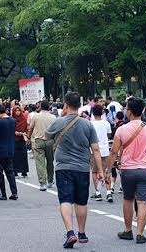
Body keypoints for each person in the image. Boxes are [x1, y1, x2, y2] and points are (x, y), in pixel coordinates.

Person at [46, 92, 104, 249]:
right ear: (80, 105)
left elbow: (47, 137)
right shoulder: (87, 124)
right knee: (81, 201)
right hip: (83, 168)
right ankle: (82, 233)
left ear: (65, 104)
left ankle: (70, 232)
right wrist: (100, 170)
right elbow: (96, 149)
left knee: (65, 199)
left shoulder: (58, 122)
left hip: (63, 167)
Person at [110, 97, 146, 245]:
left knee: (128, 199)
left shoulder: (121, 130)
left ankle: (127, 230)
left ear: (129, 111)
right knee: (143, 201)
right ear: (143, 110)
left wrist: (108, 169)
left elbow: (114, 152)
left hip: (127, 170)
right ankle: (140, 233)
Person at [0, 104, 18, 201]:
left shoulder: (0, 122)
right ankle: (14, 193)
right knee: (10, 171)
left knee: (0, 171)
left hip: (1, 149)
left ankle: (3, 193)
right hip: (11, 148)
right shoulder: (13, 121)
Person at [28, 100, 56, 191]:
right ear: (49, 107)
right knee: (50, 161)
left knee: (40, 163)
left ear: (40, 107)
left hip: (39, 140)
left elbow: (31, 128)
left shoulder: (36, 116)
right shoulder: (53, 117)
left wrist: (28, 137)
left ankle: (42, 183)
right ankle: (50, 180)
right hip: (50, 141)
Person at [90, 104, 113, 202]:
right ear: (102, 113)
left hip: (94, 151)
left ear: (92, 113)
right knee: (106, 170)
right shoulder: (106, 123)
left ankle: (98, 192)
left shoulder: (90, 124)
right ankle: (108, 192)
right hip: (105, 150)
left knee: (95, 171)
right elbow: (109, 134)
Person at [12, 105, 29, 177]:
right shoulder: (11, 120)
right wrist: (15, 132)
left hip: (22, 139)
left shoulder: (23, 119)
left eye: (19, 110)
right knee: (14, 156)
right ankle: (15, 171)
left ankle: (24, 171)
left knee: (23, 155)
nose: (18, 112)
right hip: (14, 140)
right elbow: (9, 129)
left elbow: (27, 129)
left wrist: (25, 133)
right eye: (16, 111)